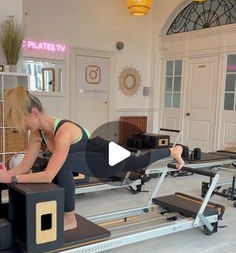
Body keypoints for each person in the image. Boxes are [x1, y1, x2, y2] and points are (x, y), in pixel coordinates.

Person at [0, 87, 185, 231]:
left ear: (33, 113)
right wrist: (6, 174)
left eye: (20, 120)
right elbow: (24, 167)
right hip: (94, 157)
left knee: (140, 162)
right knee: (138, 161)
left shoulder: (64, 132)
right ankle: (174, 150)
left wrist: (11, 178)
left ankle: (70, 218)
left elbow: (48, 175)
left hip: (107, 158)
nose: (20, 126)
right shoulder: (37, 133)